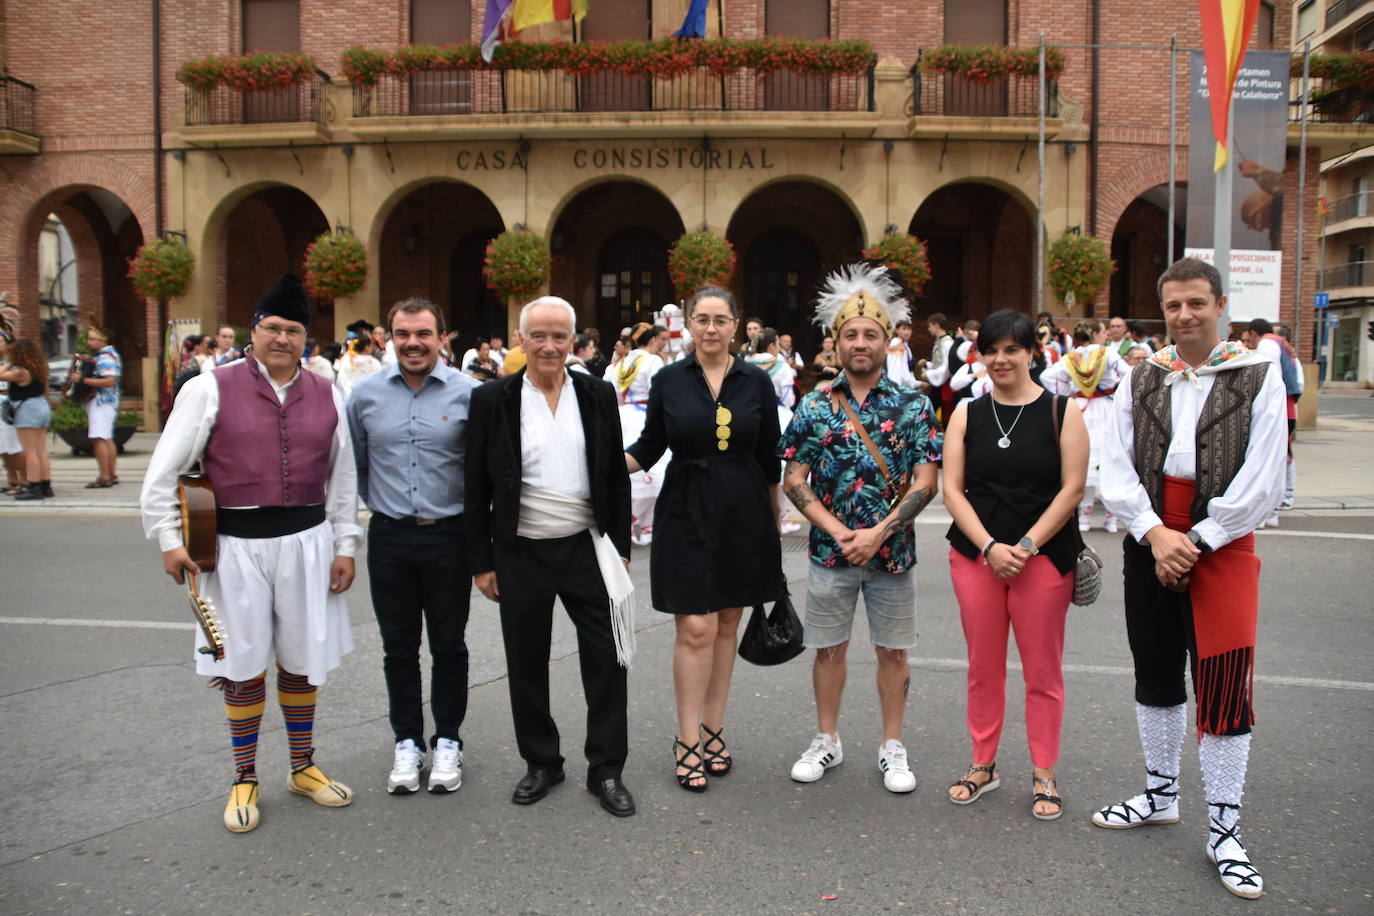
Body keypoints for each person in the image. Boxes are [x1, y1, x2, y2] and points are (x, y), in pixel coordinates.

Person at [139, 272, 361, 834]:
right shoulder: (209, 387)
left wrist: (345, 546)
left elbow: (342, 481)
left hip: (308, 544)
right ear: (252, 331)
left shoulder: (329, 392)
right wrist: (169, 539)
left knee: (300, 659)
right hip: (234, 546)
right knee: (240, 664)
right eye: (272, 328)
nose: (282, 338)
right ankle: (244, 776)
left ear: (306, 338)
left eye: (293, 330)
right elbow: (164, 473)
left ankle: (302, 767)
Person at [1093, 257, 1286, 900]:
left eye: (1197, 303)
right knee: (1154, 668)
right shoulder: (1141, 376)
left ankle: (1225, 828)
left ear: (1221, 303)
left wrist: (1197, 538)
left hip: (1221, 543)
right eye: (1174, 305)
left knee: (1223, 682)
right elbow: (1115, 465)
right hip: (1152, 538)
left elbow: (1265, 481)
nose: (1184, 316)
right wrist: (1154, 534)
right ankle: (1160, 794)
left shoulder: (1256, 375)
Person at [465, 295, 636, 818]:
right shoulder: (493, 399)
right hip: (521, 550)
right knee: (526, 661)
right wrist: (483, 560)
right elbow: (474, 486)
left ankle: (606, 769)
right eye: (538, 335)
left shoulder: (598, 393)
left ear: (573, 341)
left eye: (559, 336)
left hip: (587, 546)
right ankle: (542, 761)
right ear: (520, 339)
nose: (548, 345)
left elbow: (612, 476)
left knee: (607, 662)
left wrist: (621, 549)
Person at [779, 263, 942, 795]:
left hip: (893, 554)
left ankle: (891, 745)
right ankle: (827, 738)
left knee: (893, 652)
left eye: (870, 333)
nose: (860, 342)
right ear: (836, 342)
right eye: (851, 334)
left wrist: (877, 532)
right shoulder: (813, 404)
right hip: (830, 552)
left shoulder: (914, 404)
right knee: (828, 649)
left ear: (887, 338)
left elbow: (926, 481)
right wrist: (837, 529)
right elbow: (794, 478)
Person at [625, 286, 784, 792]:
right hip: (686, 509)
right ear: (688, 326)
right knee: (695, 626)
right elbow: (650, 447)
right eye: (702, 319)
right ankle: (687, 737)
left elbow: (769, 457)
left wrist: (775, 519)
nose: (710, 328)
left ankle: (715, 728)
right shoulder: (669, 379)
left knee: (727, 623)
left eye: (720, 319)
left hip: (744, 511)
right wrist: (599, 466)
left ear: (738, 325)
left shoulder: (756, 381)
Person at [941, 309, 1089, 820]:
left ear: (1032, 353)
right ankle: (983, 763)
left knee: (1042, 670)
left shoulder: (1063, 412)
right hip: (976, 554)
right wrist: (988, 547)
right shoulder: (967, 413)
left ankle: (1044, 771)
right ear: (979, 355)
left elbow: (1072, 488)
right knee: (983, 666)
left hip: (1043, 557)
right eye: (991, 349)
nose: (1000, 359)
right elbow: (951, 490)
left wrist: (1024, 545)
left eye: (1011, 349)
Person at [348, 298, 479, 796]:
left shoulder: (470, 394)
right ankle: (407, 741)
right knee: (398, 648)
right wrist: (384, 507)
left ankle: (448, 739)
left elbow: (481, 471)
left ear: (442, 338)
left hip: (449, 537)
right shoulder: (364, 396)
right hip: (391, 536)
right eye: (403, 334)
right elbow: (357, 467)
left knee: (449, 645)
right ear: (388, 338)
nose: (413, 343)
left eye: (424, 333)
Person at [1039, 321, 1124, 533]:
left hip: (1081, 408)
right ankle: (1110, 519)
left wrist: (1067, 391)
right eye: (1104, 331)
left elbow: (1046, 376)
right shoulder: (1108, 354)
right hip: (1105, 408)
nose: (1106, 335)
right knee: (1109, 459)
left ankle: (1084, 518)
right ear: (1095, 334)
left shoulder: (1071, 358)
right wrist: (1118, 391)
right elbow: (1128, 372)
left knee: (1081, 459)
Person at [612, 323, 670, 546]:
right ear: (653, 340)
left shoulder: (621, 363)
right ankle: (648, 524)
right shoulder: (653, 361)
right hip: (645, 415)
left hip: (623, 415)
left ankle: (629, 520)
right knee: (653, 462)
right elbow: (659, 391)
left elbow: (613, 391)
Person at [1242, 318, 1300, 525]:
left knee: (1267, 458)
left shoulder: (1267, 345)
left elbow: (1267, 377)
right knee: (1281, 456)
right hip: (1289, 407)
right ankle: (1274, 510)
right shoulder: (1283, 344)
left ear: (1253, 332)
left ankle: (1268, 513)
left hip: (1278, 408)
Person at [1, 338, 52, 500]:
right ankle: (45, 485)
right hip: (41, 406)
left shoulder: (20, 371)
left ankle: (34, 486)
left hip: (28, 409)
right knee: (41, 450)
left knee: (30, 451)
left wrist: (10, 362)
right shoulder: (38, 368)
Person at [82, 324, 122, 489]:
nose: (89, 342)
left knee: (99, 438)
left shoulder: (105, 357)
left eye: (92, 339)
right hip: (107, 402)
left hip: (101, 401)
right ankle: (111, 474)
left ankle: (105, 476)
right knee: (106, 437)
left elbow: (109, 381)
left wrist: (83, 381)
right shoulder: (110, 355)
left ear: (101, 340)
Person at [0, 327, 26, 495]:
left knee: (14, 445)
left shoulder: (16, 362)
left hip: (9, 405)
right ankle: (12, 479)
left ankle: (25, 479)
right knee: (2, 447)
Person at [335, 333, 384, 398]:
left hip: (348, 397)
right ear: (367, 347)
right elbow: (380, 382)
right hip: (370, 398)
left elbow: (341, 379)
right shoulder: (373, 363)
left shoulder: (346, 359)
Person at [885, 319, 919, 388]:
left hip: (906, 384)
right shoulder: (896, 343)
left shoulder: (906, 346)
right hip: (897, 384)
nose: (907, 332)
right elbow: (898, 369)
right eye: (904, 328)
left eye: (909, 329)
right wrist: (915, 383)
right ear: (897, 330)